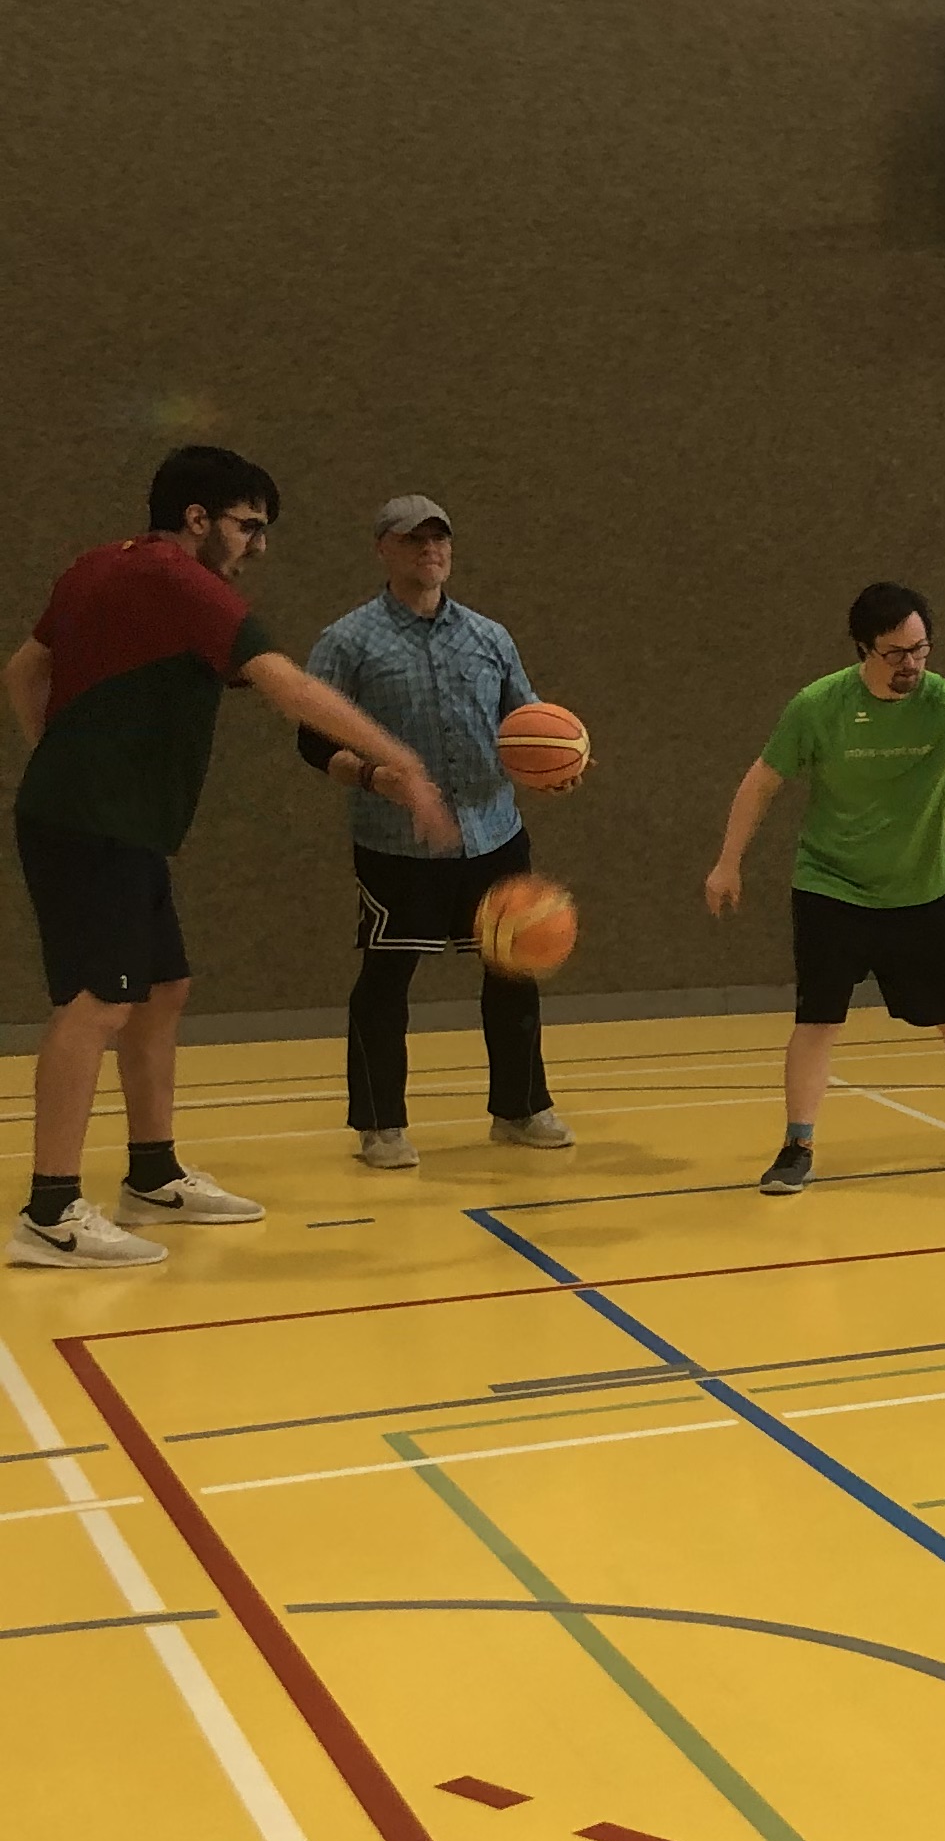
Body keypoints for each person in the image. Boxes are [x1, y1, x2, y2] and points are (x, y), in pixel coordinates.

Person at [10, 446, 451, 1268]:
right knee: (94, 1004)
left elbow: (25, 670)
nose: (258, 545)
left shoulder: (96, 568)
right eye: (249, 526)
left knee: (162, 989)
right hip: (95, 825)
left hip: (104, 820)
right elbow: (291, 689)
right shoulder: (185, 584)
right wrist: (406, 764)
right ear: (197, 519)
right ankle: (51, 1210)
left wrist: (58, 758)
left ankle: (152, 1174)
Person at [703, 583, 945, 1197]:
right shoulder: (819, 706)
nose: (911, 663)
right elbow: (762, 780)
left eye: (920, 649)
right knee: (818, 1022)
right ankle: (796, 1146)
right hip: (831, 887)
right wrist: (727, 862)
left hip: (920, 890)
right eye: (896, 653)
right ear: (863, 648)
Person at [298, 494, 571, 1167]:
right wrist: (371, 777)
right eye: (412, 539)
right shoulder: (347, 642)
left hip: (495, 833)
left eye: (438, 538)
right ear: (383, 550)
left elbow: (528, 723)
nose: (429, 550)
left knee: (513, 971)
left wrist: (557, 763)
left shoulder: (489, 637)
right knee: (386, 980)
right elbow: (312, 740)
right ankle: (380, 1124)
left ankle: (520, 1108)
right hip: (398, 844)